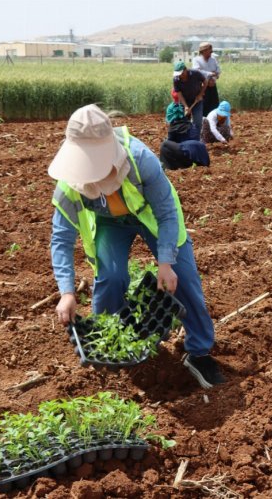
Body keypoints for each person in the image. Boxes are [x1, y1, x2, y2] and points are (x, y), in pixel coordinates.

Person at [48, 104, 225, 388]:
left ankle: (199, 352)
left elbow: (166, 212)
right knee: (110, 277)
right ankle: (112, 344)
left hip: (151, 216)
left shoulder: (140, 158)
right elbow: (61, 237)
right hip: (109, 224)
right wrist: (67, 292)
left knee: (184, 277)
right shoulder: (70, 183)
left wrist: (165, 263)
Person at [173, 60, 208, 127]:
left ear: (185, 69)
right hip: (184, 101)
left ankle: (196, 136)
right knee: (183, 122)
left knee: (197, 122)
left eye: (181, 73)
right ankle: (186, 136)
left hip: (197, 101)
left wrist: (200, 94)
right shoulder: (176, 79)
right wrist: (186, 106)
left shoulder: (196, 73)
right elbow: (179, 94)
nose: (180, 75)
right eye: (178, 74)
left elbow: (205, 81)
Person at [192, 42, 221, 115]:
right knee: (204, 107)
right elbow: (197, 72)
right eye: (209, 50)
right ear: (203, 51)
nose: (211, 52)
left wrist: (213, 77)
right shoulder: (196, 60)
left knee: (215, 106)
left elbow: (218, 71)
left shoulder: (213, 59)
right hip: (202, 88)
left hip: (213, 86)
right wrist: (210, 74)